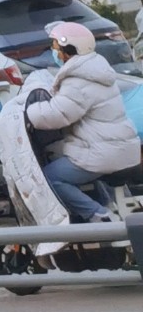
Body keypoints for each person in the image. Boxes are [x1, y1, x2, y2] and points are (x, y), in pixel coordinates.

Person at [22, 21, 142, 222]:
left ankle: (99, 216)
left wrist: (29, 111)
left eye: (55, 47)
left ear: (68, 49)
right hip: (121, 148)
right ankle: (109, 208)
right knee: (81, 168)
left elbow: (58, 114)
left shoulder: (78, 80)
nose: (53, 51)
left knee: (49, 178)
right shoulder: (96, 69)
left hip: (104, 152)